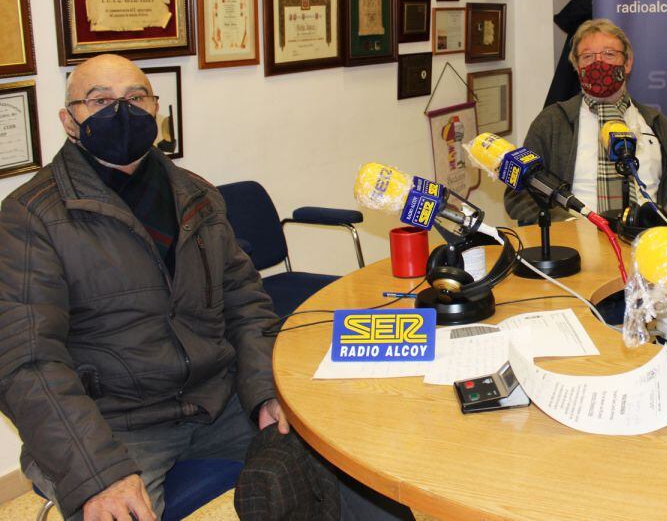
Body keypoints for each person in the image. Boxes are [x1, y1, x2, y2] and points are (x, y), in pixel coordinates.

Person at [0, 55, 412, 521]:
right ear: (69, 121)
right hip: (113, 423)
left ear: (155, 109)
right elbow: (26, 363)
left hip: (217, 398)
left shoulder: (196, 195)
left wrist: (265, 388)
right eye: (99, 100)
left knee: (352, 454)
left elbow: (246, 304)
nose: (122, 111)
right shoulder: (30, 217)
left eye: (136, 98)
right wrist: (100, 474)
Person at [505, 18, 667, 225]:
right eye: (588, 56)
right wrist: (565, 225)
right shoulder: (551, 122)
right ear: (576, 66)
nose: (598, 64)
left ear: (627, 63)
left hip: (648, 238)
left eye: (609, 54)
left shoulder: (655, 122)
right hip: (576, 240)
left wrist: (663, 221)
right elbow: (518, 193)